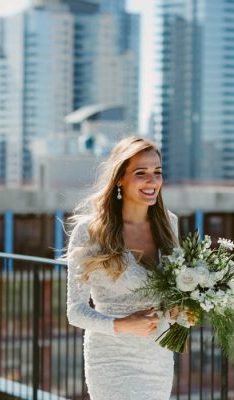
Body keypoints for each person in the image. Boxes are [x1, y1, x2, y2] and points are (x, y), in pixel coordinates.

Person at [66, 136, 179, 400]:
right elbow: (75, 312)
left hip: (158, 359)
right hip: (111, 361)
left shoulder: (169, 224)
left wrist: (181, 309)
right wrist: (122, 324)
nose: (152, 181)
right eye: (141, 173)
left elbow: (174, 293)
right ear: (120, 178)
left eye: (157, 172)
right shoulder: (90, 232)